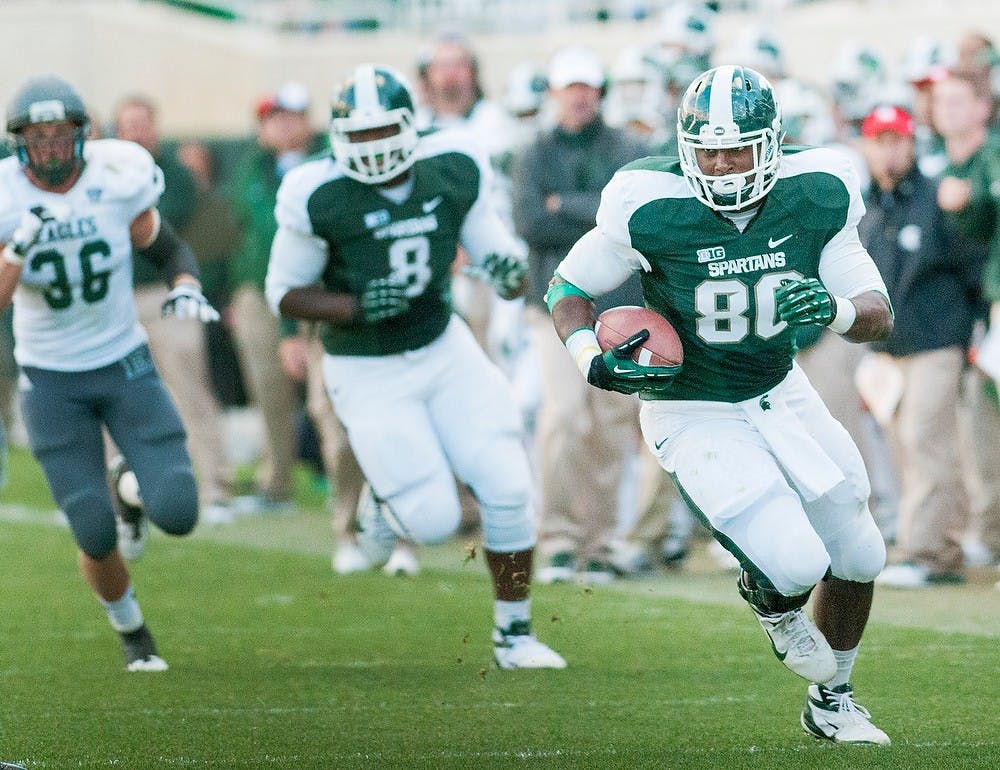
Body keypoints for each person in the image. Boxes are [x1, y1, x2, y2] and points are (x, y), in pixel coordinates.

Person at [546, 65, 893, 743]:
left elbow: (878, 313)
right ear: (685, 149)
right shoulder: (645, 199)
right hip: (691, 403)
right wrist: (589, 357)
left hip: (777, 387)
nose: (726, 165)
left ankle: (834, 700)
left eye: (739, 149)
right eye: (710, 152)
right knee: (795, 564)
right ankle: (771, 603)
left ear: (773, 143)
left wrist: (834, 308)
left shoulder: (819, 187)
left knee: (860, 553)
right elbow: (568, 287)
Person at [265, 63, 564, 669]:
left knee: (508, 486)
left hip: (441, 345)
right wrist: (351, 305)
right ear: (340, 137)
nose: (373, 150)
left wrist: (508, 270)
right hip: (366, 366)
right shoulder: (315, 191)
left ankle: (515, 634)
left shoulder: (452, 162)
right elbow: (284, 292)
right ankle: (384, 502)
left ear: (410, 126)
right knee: (431, 522)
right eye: (361, 137)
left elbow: (496, 254)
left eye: (384, 134)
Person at [0, 75, 217, 670]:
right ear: (19, 143)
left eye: (59, 136)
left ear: (83, 136)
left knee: (177, 512)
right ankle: (133, 632)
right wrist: (18, 248)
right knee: (91, 531)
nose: (48, 148)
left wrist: (186, 287)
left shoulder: (117, 177)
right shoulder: (5, 198)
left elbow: (168, 248)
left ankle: (132, 493)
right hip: (51, 382)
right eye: (36, 138)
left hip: (124, 366)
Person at [512, 45, 649, 583]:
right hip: (557, 304)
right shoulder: (534, 154)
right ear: (555, 93)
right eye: (571, 88)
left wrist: (561, 204)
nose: (580, 97)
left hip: (619, 301)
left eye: (587, 87)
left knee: (611, 424)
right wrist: (591, 210)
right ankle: (560, 539)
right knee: (564, 418)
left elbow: (627, 220)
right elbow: (531, 223)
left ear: (600, 92)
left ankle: (599, 540)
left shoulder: (625, 147)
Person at [857, 104, 978, 588]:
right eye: (880, 140)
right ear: (866, 146)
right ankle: (936, 546)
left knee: (927, 443)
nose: (889, 150)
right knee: (905, 449)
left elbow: (971, 264)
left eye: (897, 140)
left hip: (936, 340)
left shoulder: (936, 198)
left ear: (911, 144)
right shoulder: (865, 205)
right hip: (887, 349)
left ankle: (927, 552)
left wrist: (973, 332)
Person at [113, 96, 234, 523]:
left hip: (167, 291)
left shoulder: (176, 175)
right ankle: (117, 491)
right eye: (129, 124)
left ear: (155, 127)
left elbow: (157, 228)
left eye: (143, 123)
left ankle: (215, 486)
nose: (137, 132)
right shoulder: (104, 173)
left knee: (190, 388)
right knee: (112, 396)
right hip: (115, 299)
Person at [229, 82, 323, 509]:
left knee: (334, 391)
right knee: (268, 390)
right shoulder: (252, 168)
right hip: (261, 289)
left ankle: (345, 478)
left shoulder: (328, 159)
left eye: (290, 117)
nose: (282, 127)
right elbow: (249, 229)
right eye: (273, 119)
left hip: (318, 288)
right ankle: (276, 479)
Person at [934, 68, 1000, 578]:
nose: (948, 108)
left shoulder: (991, 157)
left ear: (984, 106)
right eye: (942, 100)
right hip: (965, 315)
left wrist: (973, 201)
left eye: (960, 99)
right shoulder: (933, 162)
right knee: (977, 431)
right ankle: (987, 531)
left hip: (991, 305)